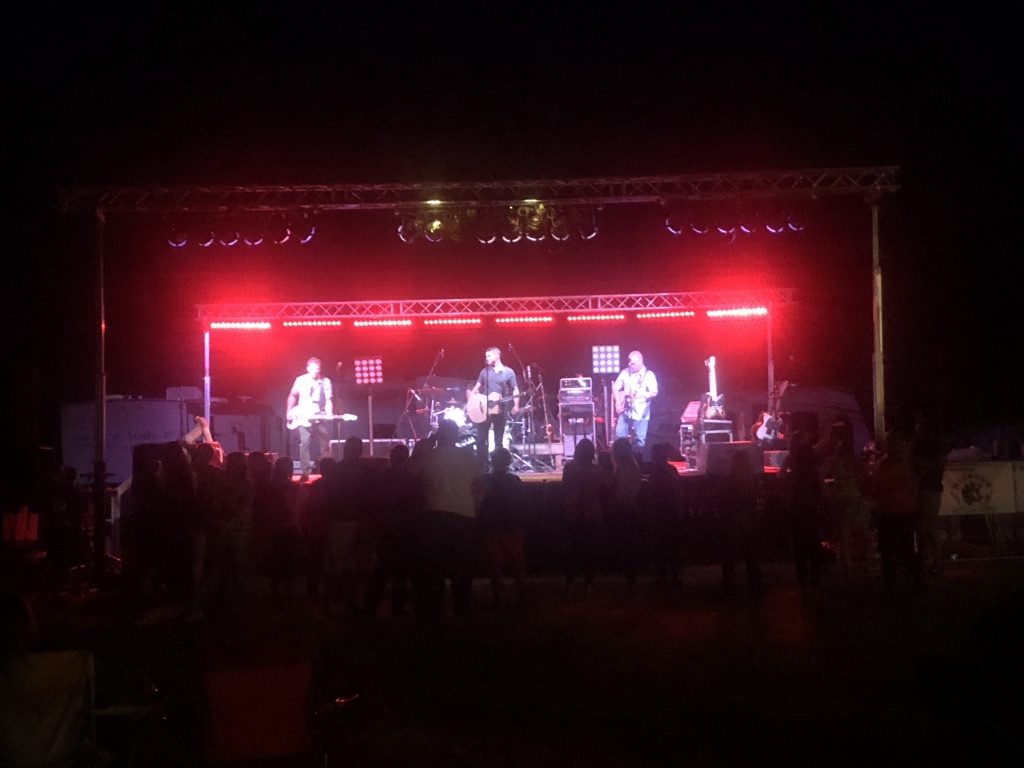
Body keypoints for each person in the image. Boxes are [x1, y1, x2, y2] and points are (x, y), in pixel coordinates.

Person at [408, 419, 484, 622]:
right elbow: (481, 486)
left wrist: (419, 451)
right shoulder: (468, 456)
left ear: (439, 434)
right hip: (464, 516)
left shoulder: (428, 457)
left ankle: (432, 614)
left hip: (435, 516)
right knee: (462, 570)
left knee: (434, 568)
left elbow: (409, 476)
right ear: (456, 434)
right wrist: (474, 507)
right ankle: (462, 612)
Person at [476, 447, 527, 610]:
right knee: (517, 562)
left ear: (492, 462)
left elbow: (479, 501)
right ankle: (522, 596)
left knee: (495, 563)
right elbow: (521, 501)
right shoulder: (514, 480)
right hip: (511, 523)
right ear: (509, 462)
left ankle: (498, 598)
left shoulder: (485, 480)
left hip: (493, 524)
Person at [561, 438, 605, 595]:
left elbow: (565, 488)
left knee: (571, 550)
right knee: (590, 551)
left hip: (573, 512)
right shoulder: (597, 471)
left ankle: (570, 583)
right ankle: (589, 583)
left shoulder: (569, 468)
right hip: (592, 513)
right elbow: (602, 491)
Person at [467, 346, 520, 469]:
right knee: (481, 438)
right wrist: (471, 403)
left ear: (497, 356)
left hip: (501, 409)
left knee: (498, 439)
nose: (487, 358)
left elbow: (515, 389)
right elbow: (476, 388)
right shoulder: (484, 371)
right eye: (486, 356)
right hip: (484, 409)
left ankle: (498, 466)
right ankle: (482, 465)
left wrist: (516, 404)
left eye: (489, 356)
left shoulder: (508, 372)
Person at [286, 357, 334, 479]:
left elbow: (329, 399)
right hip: (304, 417)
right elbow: (292, 395)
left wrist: (329, 413)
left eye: (317, 368)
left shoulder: (325, 381)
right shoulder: (300, 380)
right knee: (304, 444)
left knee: (325, 445)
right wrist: (289, 411)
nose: (316, 371)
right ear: (308, 368)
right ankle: (305, 472)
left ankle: (327, 471)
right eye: (313, 368)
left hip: (319, 417)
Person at [612, 350, 658, 449]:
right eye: (629, 362)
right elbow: (615, 387)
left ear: (640, 362)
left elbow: (654, 392)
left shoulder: (649, 375)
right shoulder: (625, 372)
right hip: (625, 411)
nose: (630, 365)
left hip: (640, 413)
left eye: (632, 363)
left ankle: (638, 457)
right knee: (619, 436)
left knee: (639, 440)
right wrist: (618, 402)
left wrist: (640, 395)